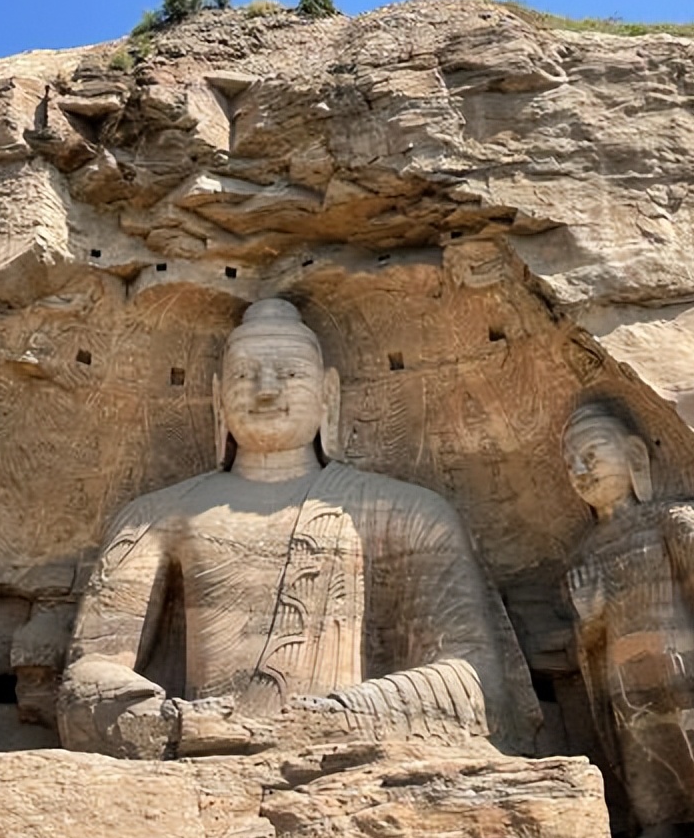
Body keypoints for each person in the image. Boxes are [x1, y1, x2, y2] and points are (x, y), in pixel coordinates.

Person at [58, 299, 540, 758]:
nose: (267, 390)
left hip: (355, 757)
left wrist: (338, 716)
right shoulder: (155, 517)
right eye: (245, 375)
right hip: (199, 749)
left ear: (329, 392)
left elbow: (475, 684)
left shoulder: (410, 513)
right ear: (217, 397)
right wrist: (177, 724)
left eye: (290, 374)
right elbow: (89, 676)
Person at [562, 401, 694, 838]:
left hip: (683, 659)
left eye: (590, 456)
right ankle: (661, 826)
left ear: (635, 455)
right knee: (642, 749)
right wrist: (590, 617)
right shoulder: (585, 552)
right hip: (625, 673)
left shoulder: (675, 520)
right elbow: (588, 641)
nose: (579, 471)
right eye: (570, 465)